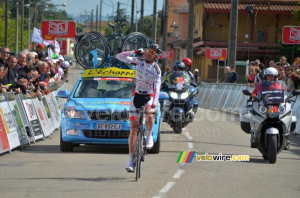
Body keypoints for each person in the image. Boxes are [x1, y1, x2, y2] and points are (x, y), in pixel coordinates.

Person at [116, 44, 162, 172]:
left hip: (149, 96)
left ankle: (148, 135)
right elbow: (119, 57)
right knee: (133, 129)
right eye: (148, 51)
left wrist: (154, 105)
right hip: (136, 96)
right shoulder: (138, 61)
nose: (148, 53)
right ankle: (131, 159)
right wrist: (135, 51)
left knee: (149, 114)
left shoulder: (156, 69)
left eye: (152, 53)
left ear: (156, 57)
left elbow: (157, 88)